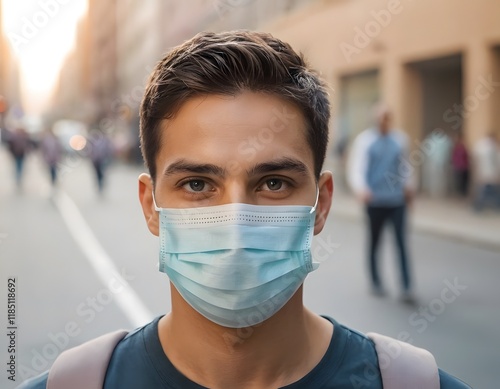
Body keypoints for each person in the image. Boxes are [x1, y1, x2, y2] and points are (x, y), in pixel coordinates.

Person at [20, 31, 469, 389]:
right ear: (150, 206)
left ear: (322, 203)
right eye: (197, 184)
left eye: (273, 183)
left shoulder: (409, 383)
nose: (235, 220)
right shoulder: (74, 384)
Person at [347, 104, 415, 302]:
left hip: (396, 200)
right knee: (375, 241)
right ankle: (376, 281)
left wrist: (409, 189)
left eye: (387, 118)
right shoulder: (365, 141)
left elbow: (405, 167)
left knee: (401, 242)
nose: (384, 121)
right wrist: (361, 189)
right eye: (381, 118)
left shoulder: (400, 140)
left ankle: (406, 286)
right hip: (375, 201)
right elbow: (358, 167)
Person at [472, 132, 500, 211]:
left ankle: (479, 207)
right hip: (487, 173)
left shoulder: (485, 146)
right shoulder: (488, 146)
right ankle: (479, 207)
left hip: (487, 174)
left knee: (486, 191)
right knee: (485, 192)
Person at [88, 128, 113, 193]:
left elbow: (108, 150)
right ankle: (99, 184)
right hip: (95, 161)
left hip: (102, 160)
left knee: (102, 172)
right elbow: (89, 151)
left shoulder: (104, 141)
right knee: (97, 173)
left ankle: (102, 182)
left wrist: (108, 157)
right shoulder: (92, 142)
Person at [451, 132, 470, 197]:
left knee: (463, 182)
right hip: (458, 167)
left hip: (463, 167)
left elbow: (466, 156)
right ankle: (459, 194)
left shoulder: (462, 147)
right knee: (458, 182)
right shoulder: (456, 147)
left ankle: (462, 194)